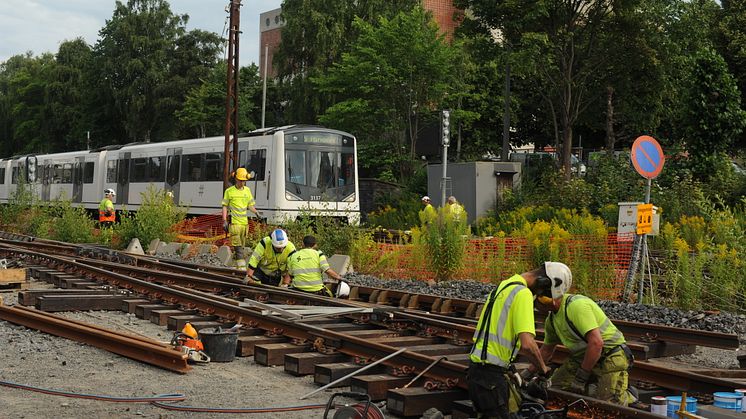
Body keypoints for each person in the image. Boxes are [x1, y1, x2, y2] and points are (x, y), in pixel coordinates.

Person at [534, 265, 635, 406]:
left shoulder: (576, 306)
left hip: (611, 354)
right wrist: (528, 373)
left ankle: (628, 397)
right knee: (554, 388)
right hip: (584, 357)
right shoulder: (551, 319)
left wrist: (581, 377)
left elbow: (597, 343)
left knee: (607, 404)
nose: (536, 307)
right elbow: (546, 350)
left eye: (536, 302)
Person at [468, 263, 555, 419]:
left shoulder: (503, 286)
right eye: (543, 291)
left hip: (477, 371)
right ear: (543, 282)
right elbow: (527, 345)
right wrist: (543, 369)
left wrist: (510, 368)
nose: (539, 296)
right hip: (491, 378)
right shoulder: (523, 293)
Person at [221, 167, 261, 271]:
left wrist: (256, 212)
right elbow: (225, 206)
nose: (243, 183)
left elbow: (250, 205)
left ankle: (234, 268)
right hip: (234, 225)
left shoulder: (247, 191)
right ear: (236, 179)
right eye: (241, 180)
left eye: (244, 181)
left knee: (240, 248)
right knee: (238, 248)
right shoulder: (229, 191)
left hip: (244, 225)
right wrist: (224, 220)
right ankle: (242, 269)